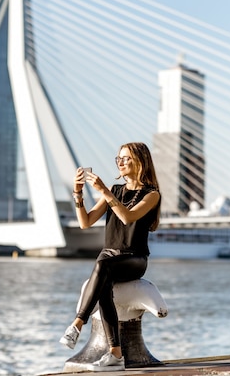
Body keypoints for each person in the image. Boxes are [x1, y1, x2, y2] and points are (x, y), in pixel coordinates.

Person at [59, 142, 161, 371]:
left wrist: (104, 191)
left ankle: (77, 323)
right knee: (103, 274)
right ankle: (115, 353)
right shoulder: (115, 191)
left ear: (140, 162)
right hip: (109, 259)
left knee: (103, 265)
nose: (121, 162)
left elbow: (127, 217)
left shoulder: (151, 195)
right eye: (119, 159)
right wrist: (78, 193)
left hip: (134, 259)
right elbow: (85, 222)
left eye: (126, 158)